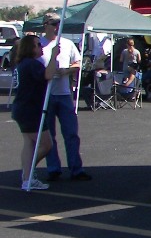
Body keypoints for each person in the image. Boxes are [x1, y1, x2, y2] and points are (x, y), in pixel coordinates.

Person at [39, 12, 92, 181]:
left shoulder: (67, 43)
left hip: (63, 93)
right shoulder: (39, 44)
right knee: (49, 135)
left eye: (58, 24)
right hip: (45, 94)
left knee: (71, 133)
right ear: (45, 24)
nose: (56, 27)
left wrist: (66, 71)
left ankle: (76, 168)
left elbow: (78, 63)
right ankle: (53, 168)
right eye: (53, 24)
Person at [11, 35, 60, 190]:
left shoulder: (22, 64)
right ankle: (28, 173)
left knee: (29, 144)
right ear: (30, 48)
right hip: (30, 110)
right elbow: (48, 74)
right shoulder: (31, 64)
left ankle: (27, 176)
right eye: (38, 45)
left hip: (22, 108)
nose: (41, 47)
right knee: (46, 145)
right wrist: (53, 56)